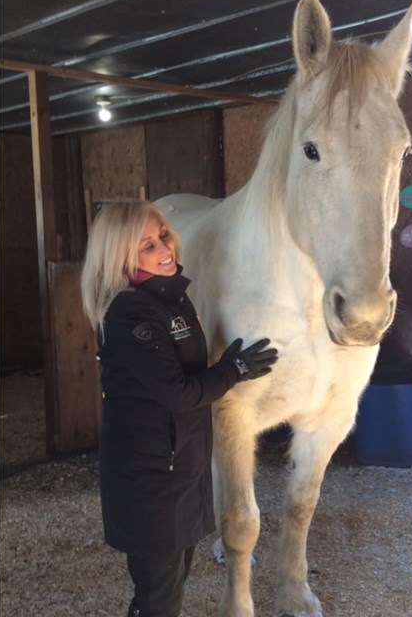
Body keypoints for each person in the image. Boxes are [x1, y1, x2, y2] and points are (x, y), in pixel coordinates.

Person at [80, 200, 277, 617]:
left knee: (166, 587)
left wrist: (227, 366)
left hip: (179, 468)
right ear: (119, 256)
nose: (163, 249)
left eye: (163, 236)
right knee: (160, 597)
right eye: (146, 245)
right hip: (152, 482)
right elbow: (179, 393)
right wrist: (234, 369)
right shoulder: (131, 311)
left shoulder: (170, 297)